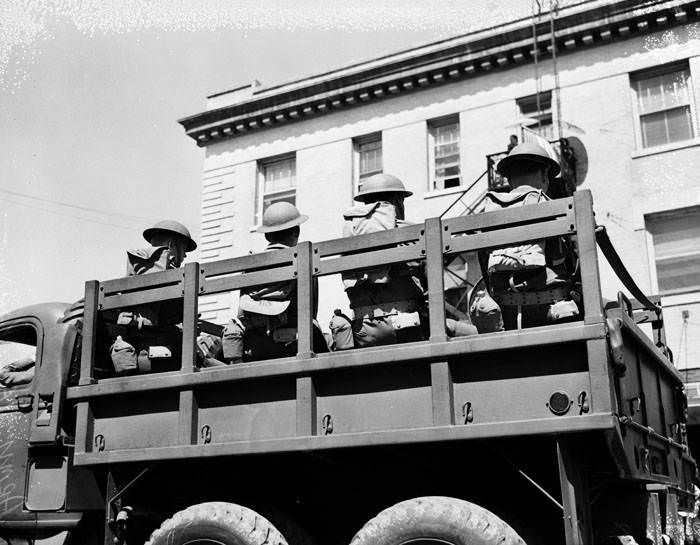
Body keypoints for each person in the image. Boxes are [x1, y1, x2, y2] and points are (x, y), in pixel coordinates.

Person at [335, 173, 477, 349]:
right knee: (473, 333)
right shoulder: (411, 232)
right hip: (407, 327)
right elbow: (432, 290)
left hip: (363, 332)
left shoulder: (348, 239)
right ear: (396, 201)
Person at [472, 142, 580, 331]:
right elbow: (576, 265)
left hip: (508, 315)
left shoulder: (488, 213)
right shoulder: (556, 209)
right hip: (553, 313)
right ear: (545, 175)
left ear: (510, 180)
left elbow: (484, 266)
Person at [222, 202, 328, 362]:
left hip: (256, 349)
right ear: (297, 231)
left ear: (267, 236)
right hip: (295, 347)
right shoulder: (304, 261)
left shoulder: (250, 264)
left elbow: (242, 315)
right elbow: (311, 314)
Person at [109, 220, 208, 374]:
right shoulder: (166, 273)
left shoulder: (140, 269)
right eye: (183, 248)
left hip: (152, 349)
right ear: (171, 246)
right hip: (155, 354)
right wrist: (184, 327)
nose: (185, 255)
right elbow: (155, 323)